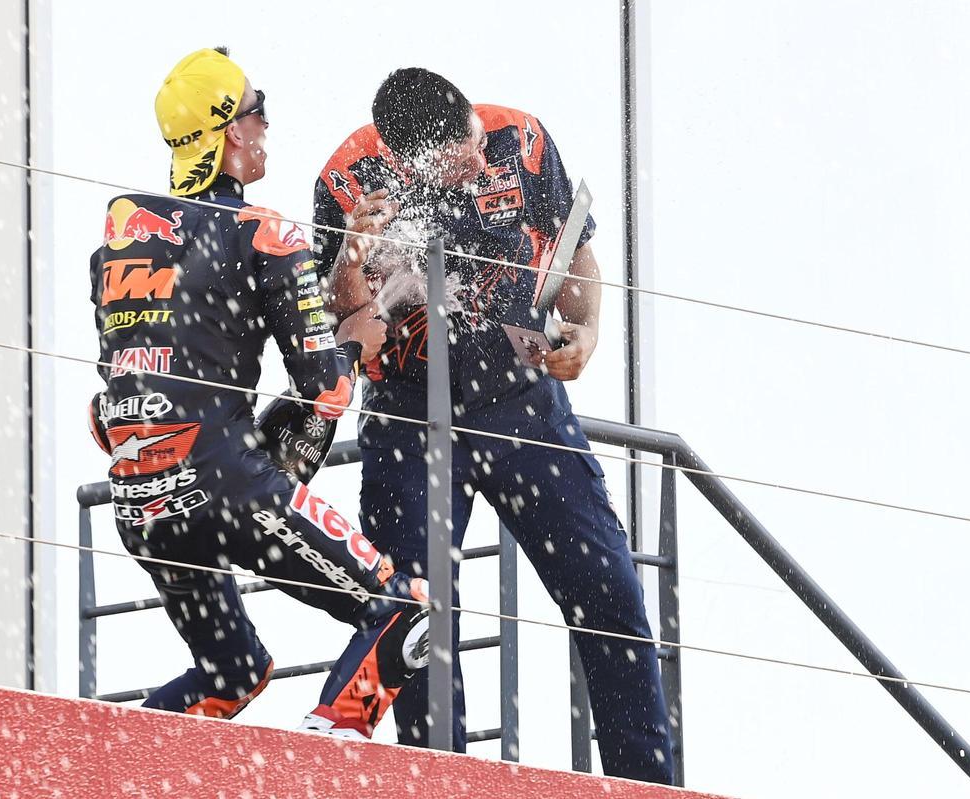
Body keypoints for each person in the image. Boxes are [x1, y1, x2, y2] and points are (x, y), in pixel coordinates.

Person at [311, 68, 674, 781]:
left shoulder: (523, 139)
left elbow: (578, 254)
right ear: (412, 161)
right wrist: (353, 253)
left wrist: (588, 329)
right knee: (415, 617)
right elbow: (347, 324)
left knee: (609, 591)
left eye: (476, 144)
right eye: (460, 158)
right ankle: (440, 781)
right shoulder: (348, 180)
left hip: (520, 398)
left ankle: (647, 786)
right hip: (408, 414)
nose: (479, 162)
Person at [87, 48, 431, 739]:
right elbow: (329, 389)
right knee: (406, 608)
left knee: (234, 670)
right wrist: (359, 339)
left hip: (141, 508)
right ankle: (327, 756)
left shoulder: (118, 242)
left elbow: (108, 408)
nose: (267, 123)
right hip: (225, 488)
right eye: (258, 108)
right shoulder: (265, 233)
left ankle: (111, 765)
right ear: (230, 131)